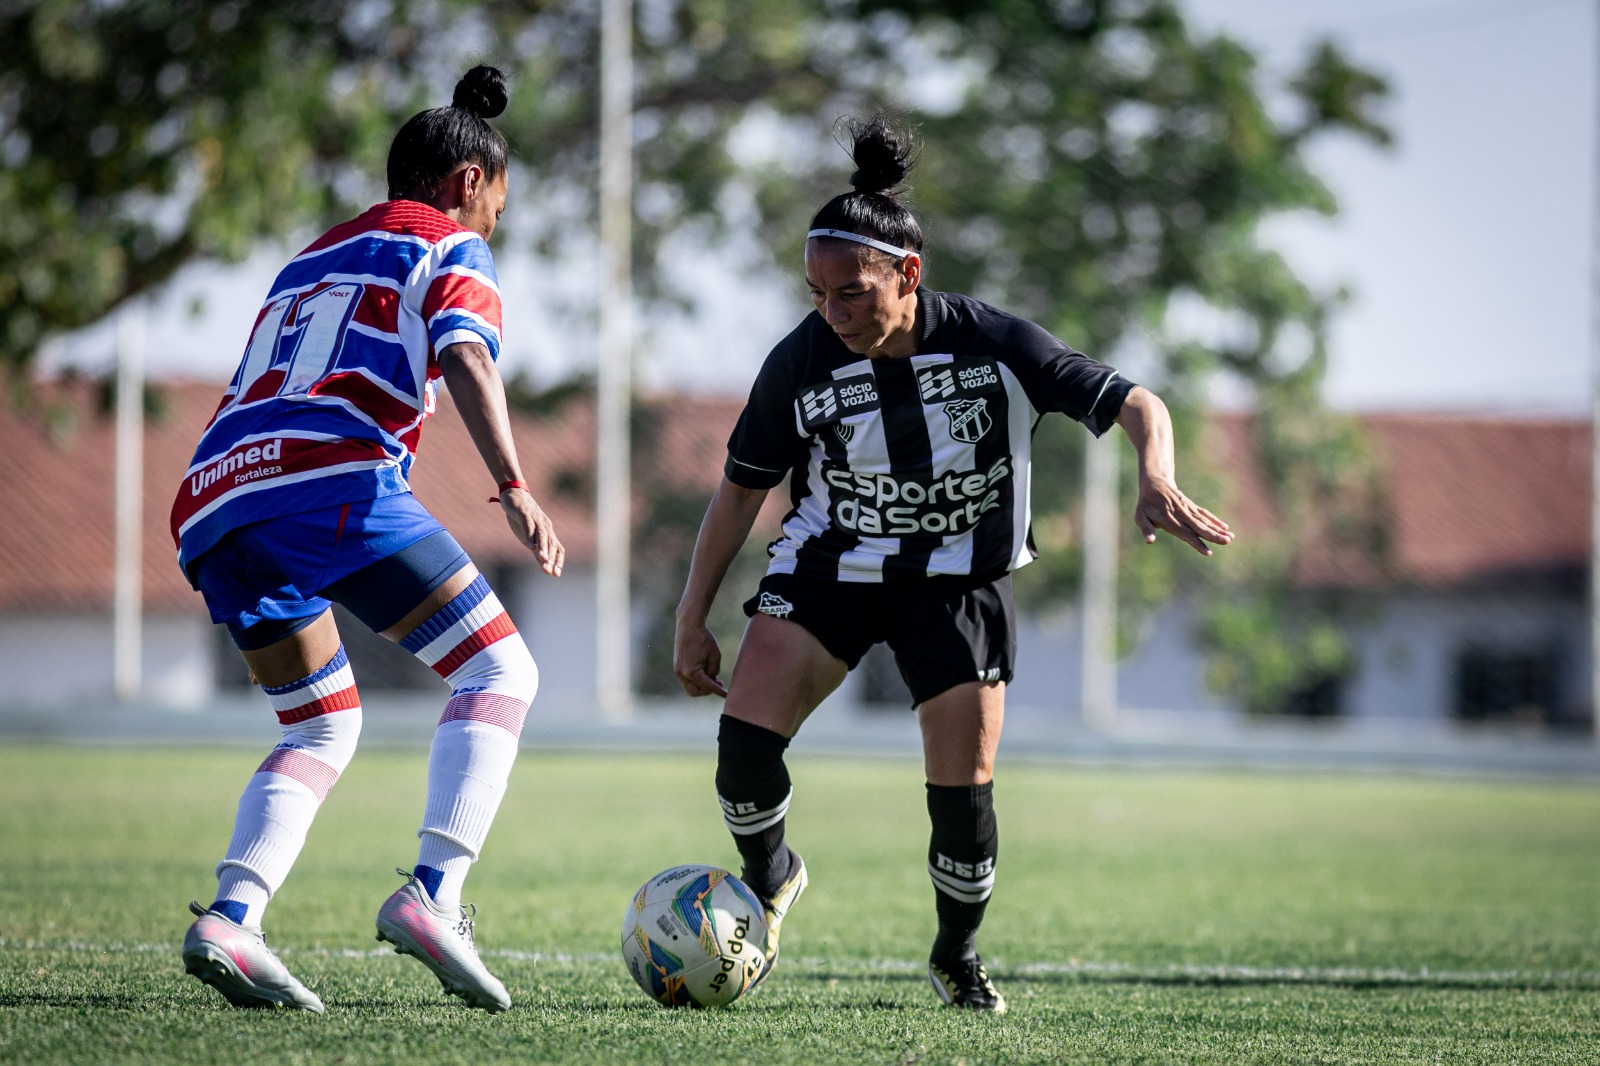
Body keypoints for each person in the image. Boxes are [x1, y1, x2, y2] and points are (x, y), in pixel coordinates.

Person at [672, 117, 1232, 1012]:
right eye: (817, 294)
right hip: (831, 568)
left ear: (908, 275)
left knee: (962, 798)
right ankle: (772, 876)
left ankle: (956, 954)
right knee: (743, 747)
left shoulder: (995, 343)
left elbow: (1138, 401)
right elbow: (740, 492)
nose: (832, 312)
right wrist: (692, 614)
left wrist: (1156, 475)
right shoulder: (799, 362)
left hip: (958, 582)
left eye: (852, 292)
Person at [170, 66, 563, 1015]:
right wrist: (514, 484)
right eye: (499, 207)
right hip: (329, 481)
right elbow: (465, 352)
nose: (495, 225)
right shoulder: (451, 245)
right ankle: (436, 895)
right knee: (500, 672)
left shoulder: (309, 257)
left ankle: (233, 916)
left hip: (214, 495)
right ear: (470, 182)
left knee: (319, 722)